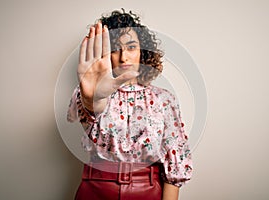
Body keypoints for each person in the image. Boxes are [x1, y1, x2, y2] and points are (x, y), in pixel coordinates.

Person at [67, 9, 192, 200]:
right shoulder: (88, 92)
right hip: (96, 188)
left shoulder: (164, 100)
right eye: (114, 49)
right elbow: (91, 109)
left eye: (131, 47)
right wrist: (93, 98)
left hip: (148, 190)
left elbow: (174, 165)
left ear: (143, 51)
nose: (124, 57)